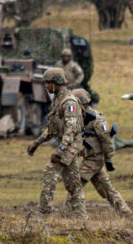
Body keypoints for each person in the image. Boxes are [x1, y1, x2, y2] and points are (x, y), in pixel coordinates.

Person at [27, 67, 86, 218]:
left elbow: (71, 129)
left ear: (58, 83)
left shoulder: (69, 102)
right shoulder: (57, 100)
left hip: (70, 143)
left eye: (48, 83)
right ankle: (81, 215)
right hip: (67, 143)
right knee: (73, 183)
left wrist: (61, 148)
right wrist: (37, 143)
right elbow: (52, 129)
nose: (46, 86)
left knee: (50, 172)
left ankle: (44, 211)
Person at [73, 88, 131, 216]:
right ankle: (125, 212)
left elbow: (106, 139)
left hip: (94, 159)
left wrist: (108, 157)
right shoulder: (80, 117)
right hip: (90, 158)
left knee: (75, 185)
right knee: (106, 189)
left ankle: (74, 214)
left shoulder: (96, 119)